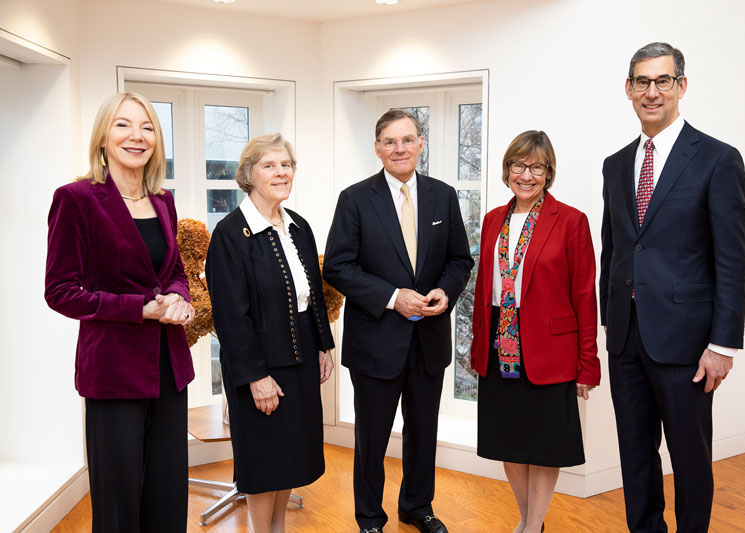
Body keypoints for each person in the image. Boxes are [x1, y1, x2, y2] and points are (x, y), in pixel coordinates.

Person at [600, 42, 745, 532]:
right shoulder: (616, 164)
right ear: (628, 89)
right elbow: (616, 250)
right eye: (641, 81)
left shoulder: (717, 159)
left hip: (689, 344)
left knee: (690, 458)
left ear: (681, 86)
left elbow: (733, 259)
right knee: (635, 454)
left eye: (662, 81)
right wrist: (610, 322)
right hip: (627, 339)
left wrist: (723, 344)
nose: (652, 91)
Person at [44, 92, 196, 532]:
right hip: (113, 371)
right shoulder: (76, 199)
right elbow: (61, 291)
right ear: (103, 137)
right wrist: (140, 309)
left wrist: (178, 298)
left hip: (169, 367)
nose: (137, 136)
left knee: (168, 492)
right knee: (118, 499)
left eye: (147, 126)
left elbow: (175, 272)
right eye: (124, 125)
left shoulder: (162, 201)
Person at [323, 109, 473, 533]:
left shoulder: (443, 196)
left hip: (429, 341)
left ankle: (417, 507)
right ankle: (369, 518)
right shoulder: (354, 199)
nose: (399, 148)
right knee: (371, 439)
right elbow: (337, 266)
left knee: (423, 434)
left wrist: (446, 290)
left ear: (421, 144)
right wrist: (391, 298)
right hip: (375, 344)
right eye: (390, 142)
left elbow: (460, 259)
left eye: (407, 140)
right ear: (377, 148)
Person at [470, 130, 600, 533]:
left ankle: (532, 526)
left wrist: (588, 364)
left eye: (537, 167)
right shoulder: (493, 220)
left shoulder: (572, 221)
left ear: (549, 173)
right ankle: (530, 521)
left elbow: (584, 295)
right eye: (518, 165)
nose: (526, 175)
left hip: (549, 353)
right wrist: (477, 349)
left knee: (543, 448)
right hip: (500, 349)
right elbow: (483, 289)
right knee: (510, 443)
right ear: (507, 169)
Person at [205, 134, 335, 533]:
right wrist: (256, 377)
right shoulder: (230, 234)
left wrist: (324, 345)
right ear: (248, 175)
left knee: (289, 460)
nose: (281, 172)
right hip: (259, 370)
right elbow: (230, 317)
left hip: (299, 360)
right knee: (264, 465)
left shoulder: (299, 227)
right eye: (270, 165)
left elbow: (313, 294)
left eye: (286, 165)